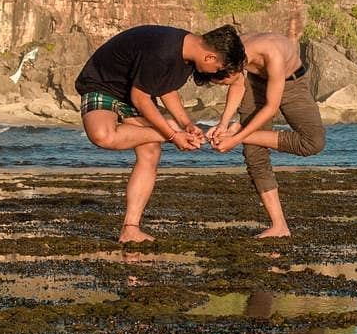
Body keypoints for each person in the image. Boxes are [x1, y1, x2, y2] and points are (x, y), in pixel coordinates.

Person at [75, 24, 246, 243]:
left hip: (133, 91)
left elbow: (165, 88)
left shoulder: (186, 55)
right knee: (102, 135)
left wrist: (186, 124)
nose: (216, 74)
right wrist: (172, 136)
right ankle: (164, 133)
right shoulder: (163, 50)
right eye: (219, 68)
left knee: (150, 152)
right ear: (210, 57)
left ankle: (131, 229)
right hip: (103, 83)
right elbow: (140, 98)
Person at [208, 28, 325, 238]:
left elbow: (271, 107)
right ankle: (279, 226)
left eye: (223, 81)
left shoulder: (272, 54)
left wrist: (236, 138)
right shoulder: (234, 52)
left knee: (313, 142)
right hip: (255, 82)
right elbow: (237, 84)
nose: (224, 84)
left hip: (291, 83)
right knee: (255, 154)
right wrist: (223, 124)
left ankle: (242, 131)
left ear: (234, 69)